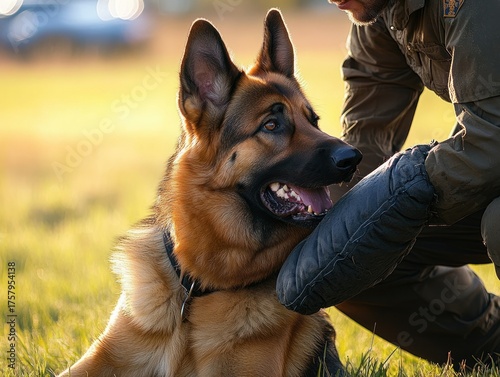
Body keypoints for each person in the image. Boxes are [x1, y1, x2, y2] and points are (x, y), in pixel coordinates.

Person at [277, 0, 500, 369]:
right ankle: (492, 345)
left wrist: (411, 184)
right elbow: (365, 144)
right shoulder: (379, 11)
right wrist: (320, 232)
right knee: (344, 258)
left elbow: (492, 136)